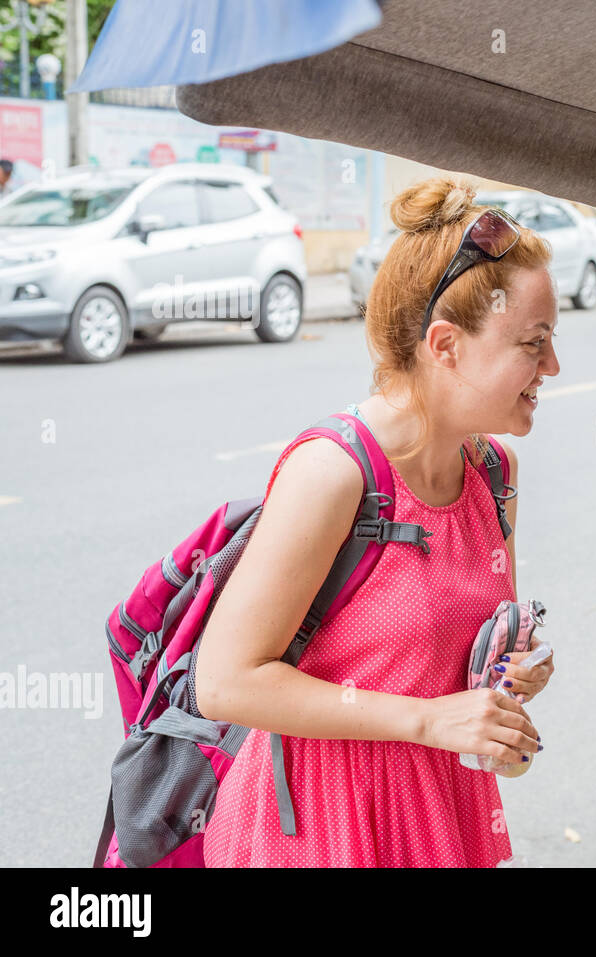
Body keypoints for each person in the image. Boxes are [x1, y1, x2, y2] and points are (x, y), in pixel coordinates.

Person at [195, 176, 559, 866]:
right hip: (321, 828)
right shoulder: (333, 473)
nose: (553, 365)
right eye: (533, 342)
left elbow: (467, 654)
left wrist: (506, 680)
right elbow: (225, 681)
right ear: (446, 344)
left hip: (444, 811)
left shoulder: (494, 472)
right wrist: (427, 717)